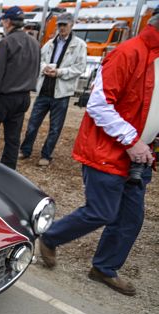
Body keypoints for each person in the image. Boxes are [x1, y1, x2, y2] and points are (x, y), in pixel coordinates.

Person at [38, 15, 159, 296]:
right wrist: (131, 140)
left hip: (139, 155)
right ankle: (50, 237)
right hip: (109, 151)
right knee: (102, 211)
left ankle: (104, 268)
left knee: (131, 218)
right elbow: (99, 104)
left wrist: (148, 144)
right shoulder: (128, 52)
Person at [0, 6, 40, 170]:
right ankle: (8, 173)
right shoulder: (34, 43)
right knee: (13, 139)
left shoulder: (6, 43)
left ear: (8, 21)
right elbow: (36, 70)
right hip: (24, 96)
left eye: (3, 20)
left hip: (4, 97)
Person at [19, 13, 87, 166]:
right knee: (32, 124)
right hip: (44, 90)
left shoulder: (80, 45)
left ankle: (46, 155)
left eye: (65, 25)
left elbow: (80, 68)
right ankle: (25, 150)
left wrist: (60, 72)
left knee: (55, 128)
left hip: (61, 93)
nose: (62, 28)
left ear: (72, 25)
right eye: (60, 25)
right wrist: (45, 68)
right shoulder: (49, 43)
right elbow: (40, 60)